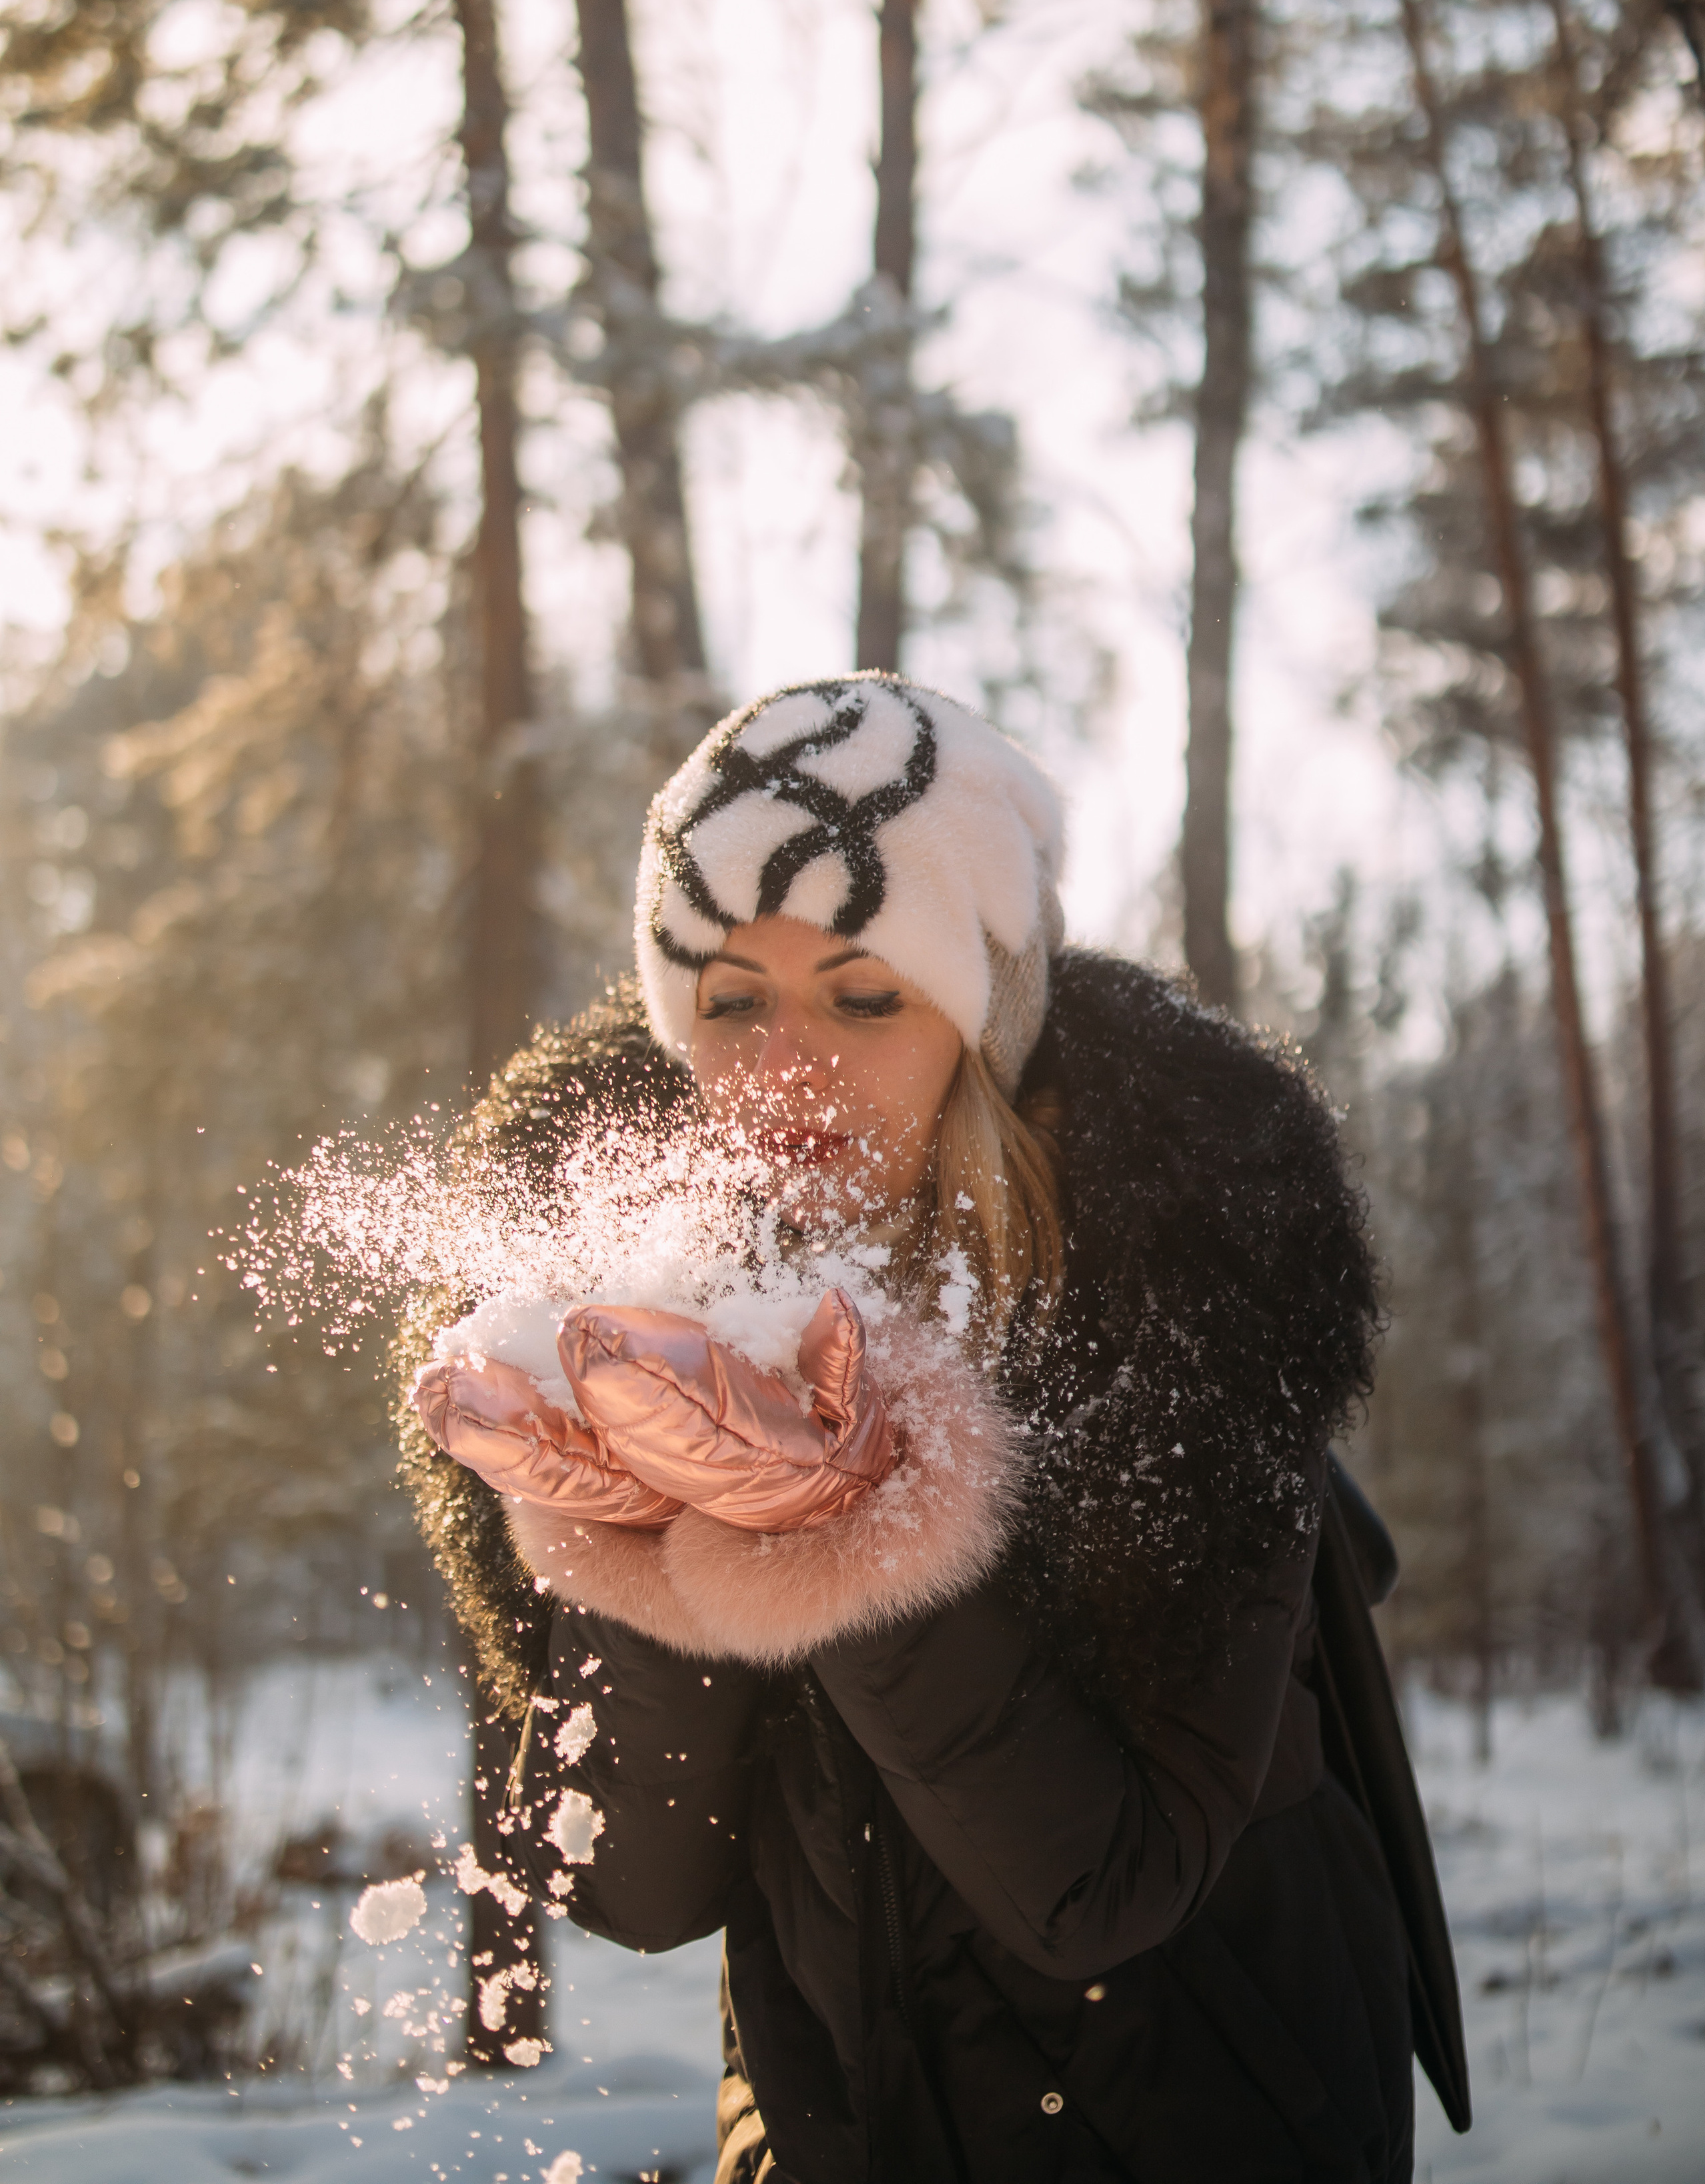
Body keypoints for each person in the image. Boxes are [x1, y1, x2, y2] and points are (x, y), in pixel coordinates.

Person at [405, 675, 1424, 2183]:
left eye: (863, 994)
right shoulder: (648, 1321)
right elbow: (636, 1887)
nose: (781, 1069)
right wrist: (635, 1536)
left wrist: (835, 1518)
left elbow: (1100, 1892)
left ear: (978, 1018)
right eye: (731, 1002)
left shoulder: (1178, 1325)